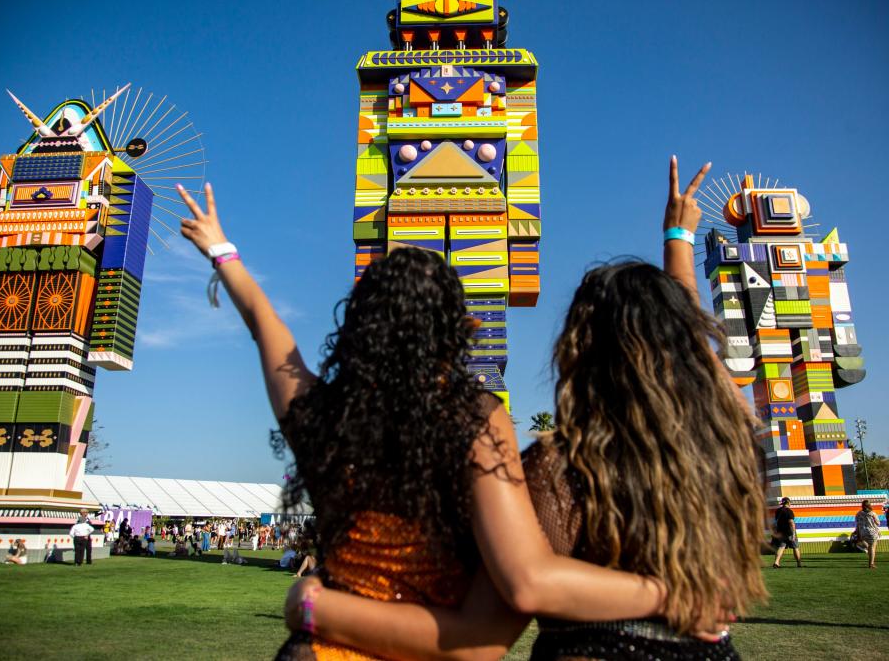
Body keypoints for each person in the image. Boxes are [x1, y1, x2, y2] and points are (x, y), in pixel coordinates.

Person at [177, 178, 720, 661]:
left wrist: (221, 251)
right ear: (455, 330)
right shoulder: (477, 421)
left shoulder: (319, 419)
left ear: (357, 329)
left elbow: (267, 329)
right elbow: (495, 623)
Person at [771, 497, 802, 568]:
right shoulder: (789, 511)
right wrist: (793, 533)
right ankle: (799, 563)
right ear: (788, 503)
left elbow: (776, 521)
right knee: (795, 547)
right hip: (789, 531)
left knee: (781, 547)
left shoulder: (778, 511)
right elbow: (791, 522)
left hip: (781, 531)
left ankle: (776, 562)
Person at [854, 499, 881, 569]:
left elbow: (857, 524)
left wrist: (857, 531)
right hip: (872, 532)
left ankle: (865, 549)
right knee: (872, 547)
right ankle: (871, 564)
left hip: (863, 532)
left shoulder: (858, 514)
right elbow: (878, 523)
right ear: (869, 505)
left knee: (869, 547)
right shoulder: (872, 513)